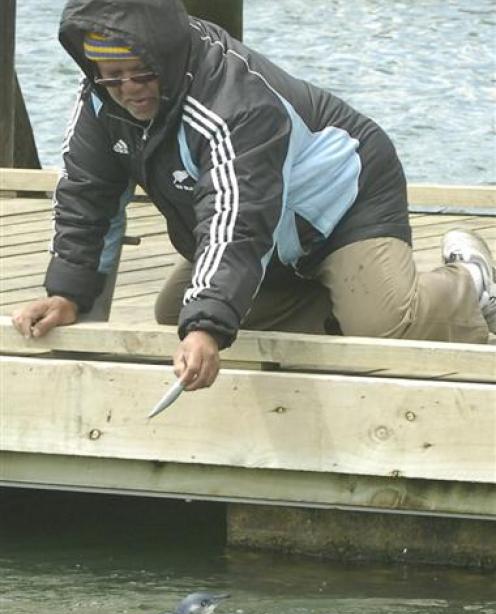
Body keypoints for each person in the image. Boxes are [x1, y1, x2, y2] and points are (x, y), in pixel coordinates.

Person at [12, 0, 495, 391]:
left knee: (384, 325)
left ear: (165, 55)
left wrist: (206, 328)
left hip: (343, 201)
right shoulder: (102, 96)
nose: (129, 90)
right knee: (173, 311)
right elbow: (86, 197)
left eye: (142, 74)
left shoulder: (233, 101)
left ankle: (471, 281)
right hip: (271, 225)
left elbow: (236, 218)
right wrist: (68, 295)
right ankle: (347, 295)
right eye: (112, 77)